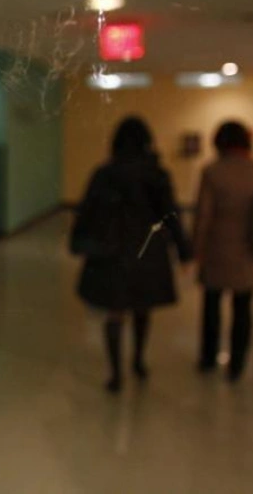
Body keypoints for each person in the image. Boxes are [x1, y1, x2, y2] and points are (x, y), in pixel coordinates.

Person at [70, 117, 191, 392]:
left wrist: (78, 241)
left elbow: (86, 211)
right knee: (142, 308)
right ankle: (138, 360)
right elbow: (171, 215)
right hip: (148, 251)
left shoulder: (105, 173)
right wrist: (184, 252)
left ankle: (115, 374)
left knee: (115, 312)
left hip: (112, 252)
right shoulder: (157, 174)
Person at [193, 121, 253, 382]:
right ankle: (237, 365)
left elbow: (203, 216)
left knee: (212, 305)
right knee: (243, 308)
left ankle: (208, 358)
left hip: (218, 249)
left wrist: (197, 249)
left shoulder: (213, 172)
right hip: (252, 250)